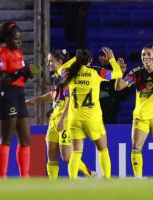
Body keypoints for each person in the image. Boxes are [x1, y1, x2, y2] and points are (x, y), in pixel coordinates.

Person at [25, 49, 95, 179]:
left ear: (60, 62)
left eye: (50, 61)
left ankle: (90, 174)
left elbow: (69, 100)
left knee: (67, 157)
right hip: (54, 119)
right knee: (51, 153)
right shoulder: (54, 77)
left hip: (66, 119)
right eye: (48, 61)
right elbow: (53, 95)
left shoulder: (66, 77)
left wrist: (62, 120)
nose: (48, 64)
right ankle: (53, 186)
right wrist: (33, 100)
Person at [57, 47, 123, 180]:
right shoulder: (96, 72)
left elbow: (59, 69)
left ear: (77, 59)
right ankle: (107, 180)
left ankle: (73, 181)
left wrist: (76, 58)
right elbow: (118, 74)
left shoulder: (69, 73)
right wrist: (111, 59)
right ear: (91, 60)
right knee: (102, 148)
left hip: (75, 118)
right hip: (92, 118)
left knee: (76, 152)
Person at [115, 45, 153, 179]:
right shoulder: (136, 72)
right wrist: (119, 73)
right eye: (143, 55)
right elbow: (119, 87)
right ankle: (138, 179)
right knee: (136, 146)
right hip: (141, 116)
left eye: (148, 54)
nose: (145, 57)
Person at [0, 22, 34, 179]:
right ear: (8, 39)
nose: (19, 42)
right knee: (7, 139)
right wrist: (20, 72)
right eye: (16, 40)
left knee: (25, 139)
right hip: (7, 95)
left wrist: (30, 72)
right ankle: (2, 177)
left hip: (19, 94)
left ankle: (25, 177)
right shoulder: (1, 54)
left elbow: (23, 75)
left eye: (20, 39)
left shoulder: (19, 53)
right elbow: (3, 80)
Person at [98, 48, 130, 124]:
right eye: (101, 55)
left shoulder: (118, 70)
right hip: (97, 110)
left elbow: (125, 95)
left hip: (112, 110)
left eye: (105, 55)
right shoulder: (96, 71)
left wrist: (111, 95)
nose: (103, 57)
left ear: (110, 56)